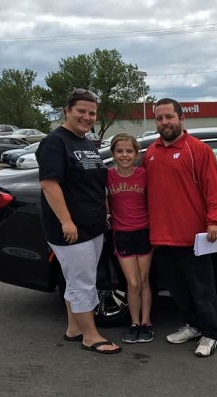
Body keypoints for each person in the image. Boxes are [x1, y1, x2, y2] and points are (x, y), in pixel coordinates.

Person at [143, 98, 217, 357]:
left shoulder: (198, 150)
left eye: (169, 117)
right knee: (178, 290)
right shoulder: (151, 152)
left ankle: (211, 333)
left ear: (182, 119)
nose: (164, 122)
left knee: (202, 289)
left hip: (194, 237)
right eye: (159, 118)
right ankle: (193, 326)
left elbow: (213, 188)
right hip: (161, 236)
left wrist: (215, 220)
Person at [36, 88, 121, 355]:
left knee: (76, 279)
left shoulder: (85, 141)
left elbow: (95, 181)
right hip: (72, 230)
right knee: (84, 281)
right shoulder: (55, 142)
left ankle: (74, 327)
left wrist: (105, 208)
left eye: (91, 113)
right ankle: (90, 335)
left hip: (93, 225)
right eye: (81, 111)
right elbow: (50, 185)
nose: (87, 117)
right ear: (67, 111)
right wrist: (66, 221)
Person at [106, 133, 154, 343]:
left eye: (129, 151)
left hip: (143, 232)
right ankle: (134, 323)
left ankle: (146, 323)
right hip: (122, 233)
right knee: (132, 283)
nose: (124, 155)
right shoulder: (107, 175)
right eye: (120, 151)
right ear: (114, 154)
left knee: (144, 280)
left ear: (136, 154)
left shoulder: (144, 174)